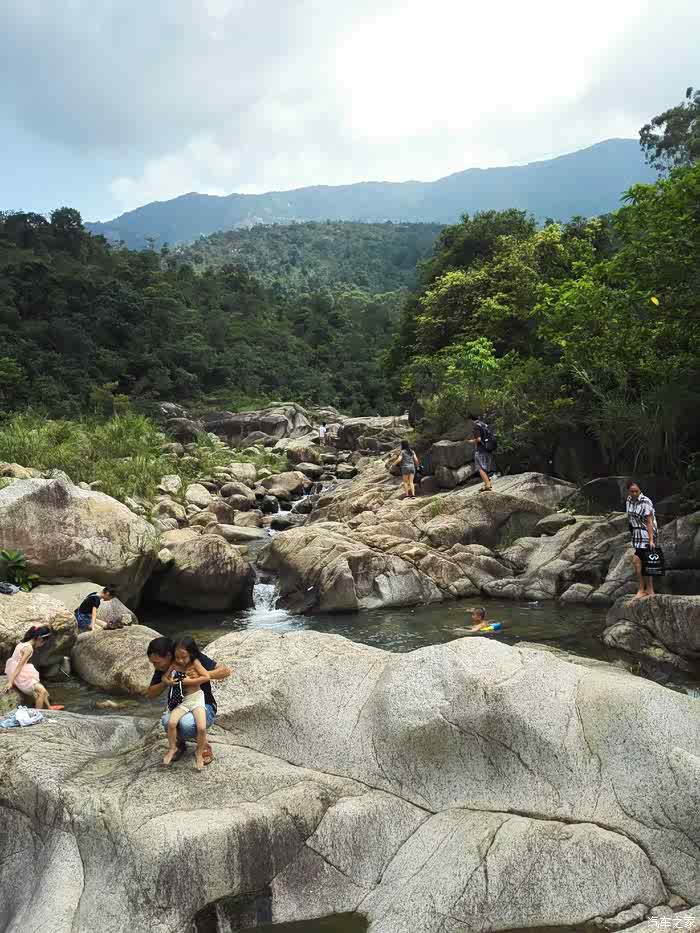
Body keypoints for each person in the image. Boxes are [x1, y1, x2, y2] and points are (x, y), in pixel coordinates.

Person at [146, 636, 232, 765]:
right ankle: (179, 744)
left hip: (204, 705)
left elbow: (225, 671)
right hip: (183, 704)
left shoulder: (191, 658)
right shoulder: (164, 668)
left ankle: (204, 746)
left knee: (186, 724)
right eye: (153, 663)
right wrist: (167, 682)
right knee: (167, 721)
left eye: (157, 662)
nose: (155, 666)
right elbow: (151, 694)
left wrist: (201, 675)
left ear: (169, 655)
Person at [161, 637, 211, 770]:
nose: (180, 660)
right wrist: (170, 682)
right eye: (177, 657)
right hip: (183, 700)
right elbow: (164, 677)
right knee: (171, 722)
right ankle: (172, 748)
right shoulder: (174, 665)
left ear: (191, 654)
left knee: (201, 727)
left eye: (184, 657)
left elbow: (206, 677)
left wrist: (187, 681)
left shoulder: (195, 663)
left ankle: (199, 752)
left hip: (196, 698)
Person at [3, 626, 53, 709]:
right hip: (20, 675)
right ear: (40, 639)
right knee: (42, 692)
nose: (42, 645)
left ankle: (49, 707)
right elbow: (20, 665)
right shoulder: (29, 648)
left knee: (43, 691)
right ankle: (37, 714)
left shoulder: (22, 643)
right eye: (44, 642)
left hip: (14, 670)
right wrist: (10, 682)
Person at [626, 480, 658, 600]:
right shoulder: (629, 500)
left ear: (640, 490)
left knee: (637, 560)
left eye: (636, 491)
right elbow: (630, 518)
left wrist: (651, 540)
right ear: (628, 491)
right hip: (636, 534)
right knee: (642, 562)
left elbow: (649, 522)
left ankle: (643, 589)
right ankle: (647, 589)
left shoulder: (645, 501)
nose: (634, 493)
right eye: (632, 491)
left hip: (646, 533)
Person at [467, 413, 495, 492]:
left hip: (481, 450)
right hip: (488, 449)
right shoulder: (483, 424)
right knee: (485, 467)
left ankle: (487, 485)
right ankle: (487, 483)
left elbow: (478, 439)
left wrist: (471, 441)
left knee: (480, 468)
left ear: (470, 420)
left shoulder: (476, 426)